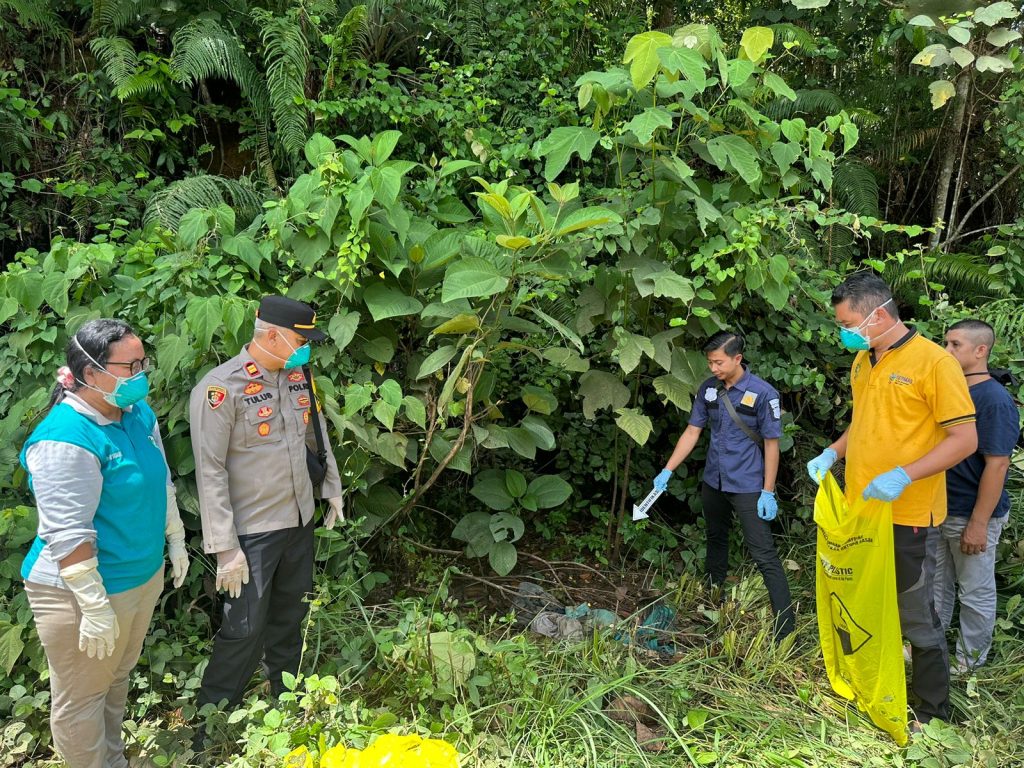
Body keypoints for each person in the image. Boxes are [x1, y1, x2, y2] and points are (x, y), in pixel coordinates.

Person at [806, 272, 977, 726]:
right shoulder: (864, 360)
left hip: (908, 513)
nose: (844, 332)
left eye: (849, 324)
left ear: (878, 315)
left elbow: (964, 439)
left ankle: (932, 712)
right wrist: (833, 452)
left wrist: (905, 474)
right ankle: (875, 685)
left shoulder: (934, 363)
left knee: (916, 615)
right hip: (863, 511)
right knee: (867, 605)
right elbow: (863, 422)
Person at [20, 319, 189, 768]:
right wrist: (93, 606)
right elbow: (68, 534)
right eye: (130, 366)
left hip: (138, 577)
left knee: (115, 680)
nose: (141, 375)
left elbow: (160, 480)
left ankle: (113, 761)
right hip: (83, 593)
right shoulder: (65, 438)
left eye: (142, 363)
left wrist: (174, 536)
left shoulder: (137, 414)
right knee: (82, 698)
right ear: (92, 372)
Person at [190, 295, 344, 712]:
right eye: (300, 339)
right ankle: (212, 723)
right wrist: (225, 548)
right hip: (252, 532)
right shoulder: (221, 388)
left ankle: (287, 703)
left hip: (298, 520)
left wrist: (331, 487)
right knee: (243, 629)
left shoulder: (297, 375)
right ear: (273, 335)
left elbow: (317, 432)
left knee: (290, 619)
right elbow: (210, 470)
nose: (306, 347)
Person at [652, 331, 795, 640]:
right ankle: (712, 600)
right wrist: (668, 470)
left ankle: (786, 629)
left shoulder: (763, 393)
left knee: (764, 553)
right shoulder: (709, 389)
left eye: (718, 362)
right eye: (710, 362)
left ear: (737, 359)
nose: (713, 368)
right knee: (716, 539)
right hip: (714, 480)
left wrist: (767, 491)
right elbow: (693, 431)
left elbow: (772, 444)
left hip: (747, 485)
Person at [934, 319, 1019, 672]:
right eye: (946, 343)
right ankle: (930, 650)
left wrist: (979, 524)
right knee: (936, 587)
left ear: (980, 351)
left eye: (955, 345)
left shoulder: (994, 400)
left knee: (975, 591)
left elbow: (997, 466)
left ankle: (970, 663)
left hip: (971, 513)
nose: (947, 351)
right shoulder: (952, 391)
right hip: (939, 508)